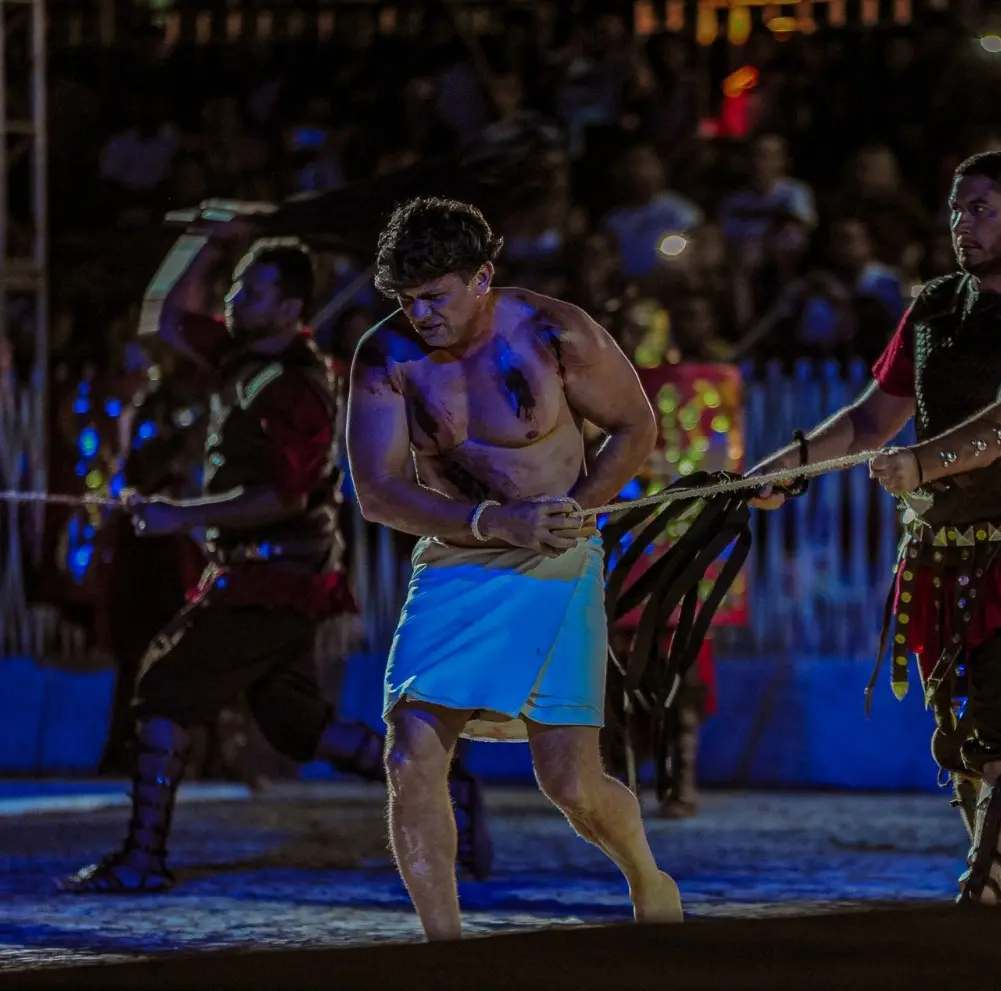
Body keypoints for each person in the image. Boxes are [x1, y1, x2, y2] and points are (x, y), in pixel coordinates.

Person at [58, 219, 489, 893]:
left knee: (164, 690)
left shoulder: (297, 386)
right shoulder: (243, 356)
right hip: (266, 570)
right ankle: (446, 779)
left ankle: (143, 857)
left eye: (253, 292)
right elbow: (163, 316)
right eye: (235, 286)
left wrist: (182, 515)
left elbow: (280, 497)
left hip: (277, 572)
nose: (234, 300)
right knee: (295, 724)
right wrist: (205, 235)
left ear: (290, 308)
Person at [752, 151, 1001, 905]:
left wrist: (922, 463)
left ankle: (983, 881)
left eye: (979, 209)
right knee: (955, 741)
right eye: (955, 209)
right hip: (942, 546)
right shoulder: (934, 307)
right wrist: (781, 467)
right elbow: (867, 417)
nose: (960, 224)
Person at [348, 196, 682, 941]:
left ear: (482, 277)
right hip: (454, 557)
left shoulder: (552, 330)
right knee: (409, 752)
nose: (420, 314)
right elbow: (377, 491)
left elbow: (635, 424)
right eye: (406, 300)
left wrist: (582, 504)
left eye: (435, 296)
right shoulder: (385, 355)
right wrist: (487, 521)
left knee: (571, 783)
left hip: (558, 556)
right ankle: (446, 948)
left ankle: (645, 873)